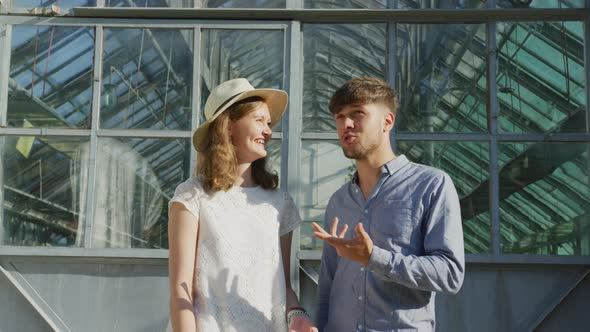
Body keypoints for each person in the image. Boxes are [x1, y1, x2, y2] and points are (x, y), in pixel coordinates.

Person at [312, 77, 465, 332]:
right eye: (339, 116)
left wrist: (375, 257)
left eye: (357, 113)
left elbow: (450, 273)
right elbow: (328, 283)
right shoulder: (339, 200)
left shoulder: (431, 185)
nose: (346, 124)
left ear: (387, 121)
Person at [168, 78, 317, 332]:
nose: (269, 131)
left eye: (269, 123)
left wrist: (297, 315)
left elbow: (283, 285)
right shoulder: (192, 196)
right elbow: (180, 288)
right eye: (259, 121)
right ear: (228, 127)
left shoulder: (280, 203)